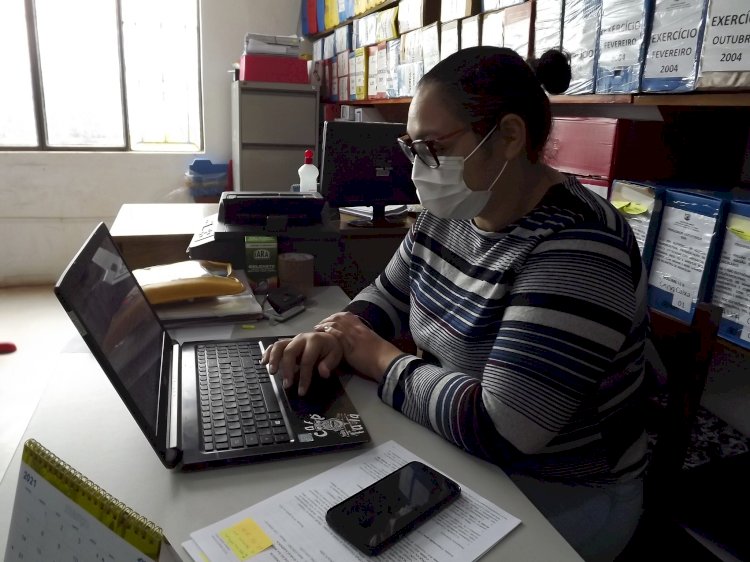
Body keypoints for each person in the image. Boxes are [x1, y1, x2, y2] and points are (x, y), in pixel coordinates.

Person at [262, 46, 648, 561]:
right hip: (459, 456)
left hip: (559, 494)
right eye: (412, 149)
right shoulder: (454, 209)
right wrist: (335, 336)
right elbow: (387, 294)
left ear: (509, 136)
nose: (420, 170)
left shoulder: (579, 246)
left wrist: (377, 358)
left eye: (432, 148)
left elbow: (504, 429)